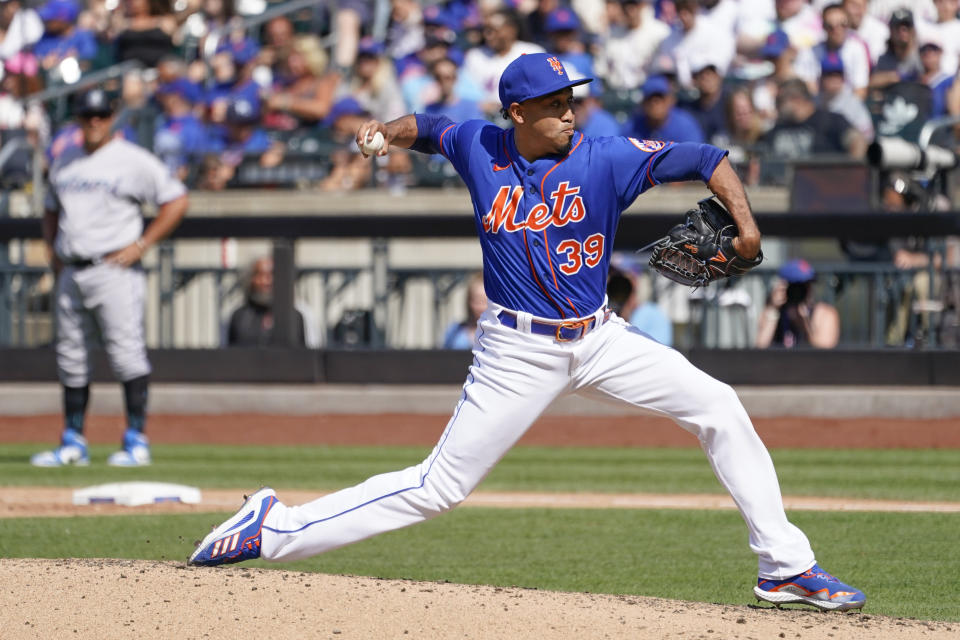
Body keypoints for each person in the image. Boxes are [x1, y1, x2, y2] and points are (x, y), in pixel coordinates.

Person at [188, 52, 866, 614]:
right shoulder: (480, 146)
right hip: (517, 350)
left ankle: (784, 567)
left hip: (601, 339)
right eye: (554, 104)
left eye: (571, 99)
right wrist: (385, 132)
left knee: (717, 405)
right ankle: (272, 527)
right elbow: (427, 126)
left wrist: (746, 226)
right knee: (438, 488)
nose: (570, 111)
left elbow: (706, 156)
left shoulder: (604, 157)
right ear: (517, 115)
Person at [31, 88, 188, 468]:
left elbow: (176, 199)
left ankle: (136, 440)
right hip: (73, 267)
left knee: (126, 354)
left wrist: (142, 244)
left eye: (101, 115)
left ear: (113, 116)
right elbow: (51, 208)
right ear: (78, 118)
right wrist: (52, 248)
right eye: (87, 115)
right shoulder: (65, 159)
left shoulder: (132, 160)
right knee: (70, 359)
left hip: (114, 268)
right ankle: (73, 441)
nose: (94, 122)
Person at [225, 255, 318, 347]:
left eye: (272, 275)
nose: (266, 281)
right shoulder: (239, 317)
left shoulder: (297, 316)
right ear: (251, 279)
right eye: (260, 275)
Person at [755, 259, 840, 349]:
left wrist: (804, 323)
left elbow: (825, 354)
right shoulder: (773, 312)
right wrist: (773, 310)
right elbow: (760, 349)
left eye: (807, 284)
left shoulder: (824, 314)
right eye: (796, 286)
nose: (805, 291)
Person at [441, 271, 486, 349]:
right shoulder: (455, 332)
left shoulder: (498, 333)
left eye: (485, 301)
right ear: (468, 301)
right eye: (476, 301)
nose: (480, 307)